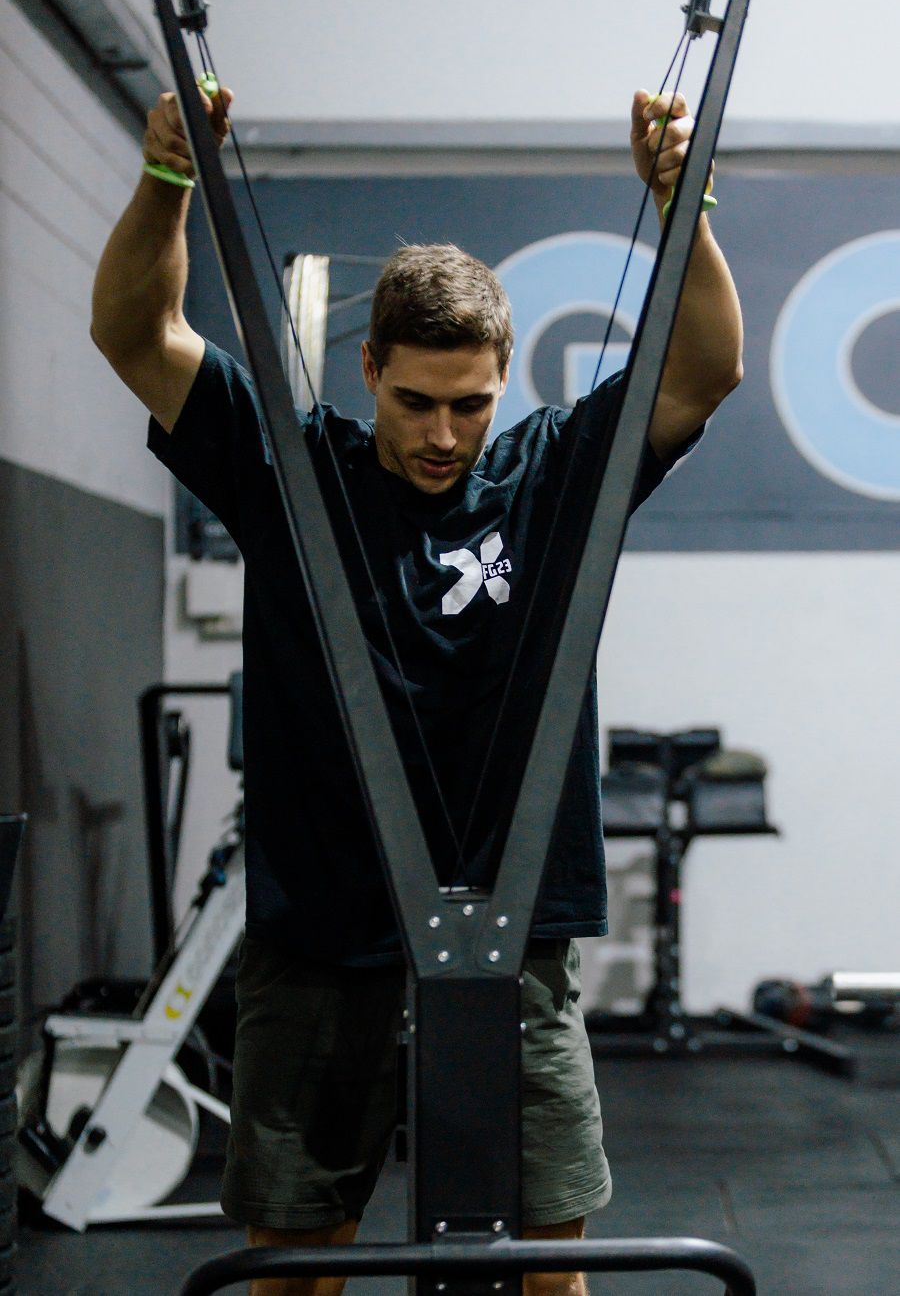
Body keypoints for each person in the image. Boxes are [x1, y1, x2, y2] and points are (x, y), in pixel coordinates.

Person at [91, 80, 742, 1296]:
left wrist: (683, 201)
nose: (444, 435)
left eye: (472, 405)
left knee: (549, 1279)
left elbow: (704, 372)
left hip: (512, 939)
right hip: (322, 934)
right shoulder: (295, 463)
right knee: (292, 1274)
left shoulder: (556, 478)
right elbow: (140, 335)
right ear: (369, 365)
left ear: (504, 381)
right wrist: (170, 178)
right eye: (415, 402)